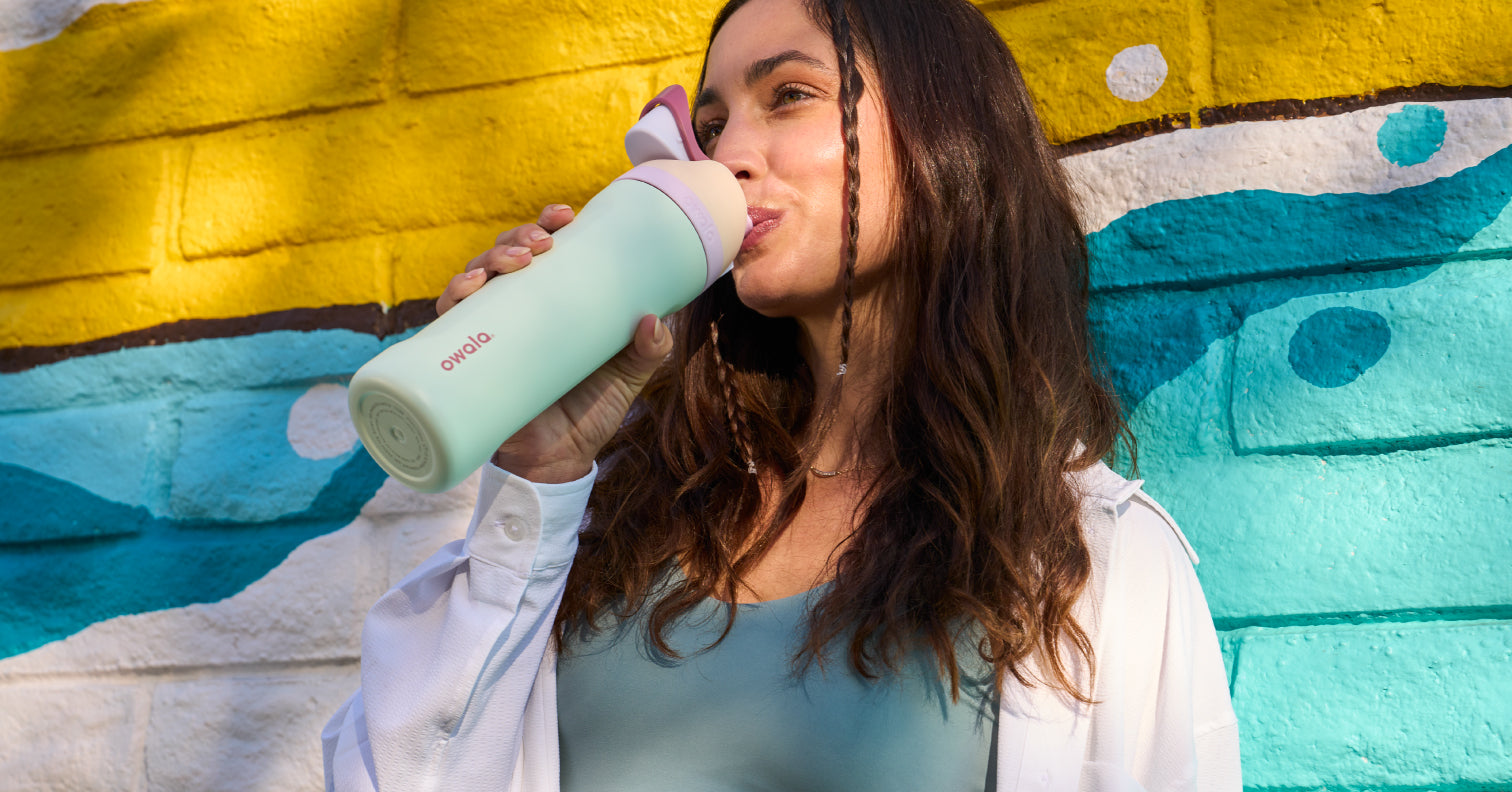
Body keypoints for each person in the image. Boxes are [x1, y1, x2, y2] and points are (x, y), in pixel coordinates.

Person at [322, 0, 1241, 788]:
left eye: (790, 95)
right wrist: (538, 480)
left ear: (945, 129)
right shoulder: (616, 516)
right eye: (712, 125)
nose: (729, 157)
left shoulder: (1097, 564)